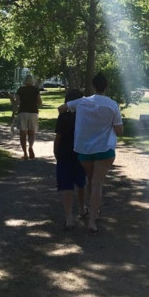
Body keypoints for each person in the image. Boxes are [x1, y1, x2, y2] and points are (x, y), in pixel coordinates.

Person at [58, 72, 122, 233]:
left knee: (90, 180)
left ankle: (87, 210)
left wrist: (71, 117)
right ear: (106, 86)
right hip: (104, 148)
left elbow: (62, 108)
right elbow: (119, 131)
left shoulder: (82, 102)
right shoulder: (112, 105)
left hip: (84, 149)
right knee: (97, 184)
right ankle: (92, 220)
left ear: (94, 86)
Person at [53, 88, 88, 230]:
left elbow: (58, 138)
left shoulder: (64, 117)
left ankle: (69, 218)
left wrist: (56, 153)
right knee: (81, 184)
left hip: (64, 154)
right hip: (80, 154)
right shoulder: (85, 118)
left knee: (67, 187)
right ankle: (81, 209)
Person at [15, 75, 42, 160]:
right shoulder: (36, 90)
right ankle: (30, 146)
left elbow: (17, 102)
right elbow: (40, 102)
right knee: (32, 132)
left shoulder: (20, 90)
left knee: (23, 133)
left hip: (23, 112)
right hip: (33, 112)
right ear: (32, 81)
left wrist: (12, 99)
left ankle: (25, 153)